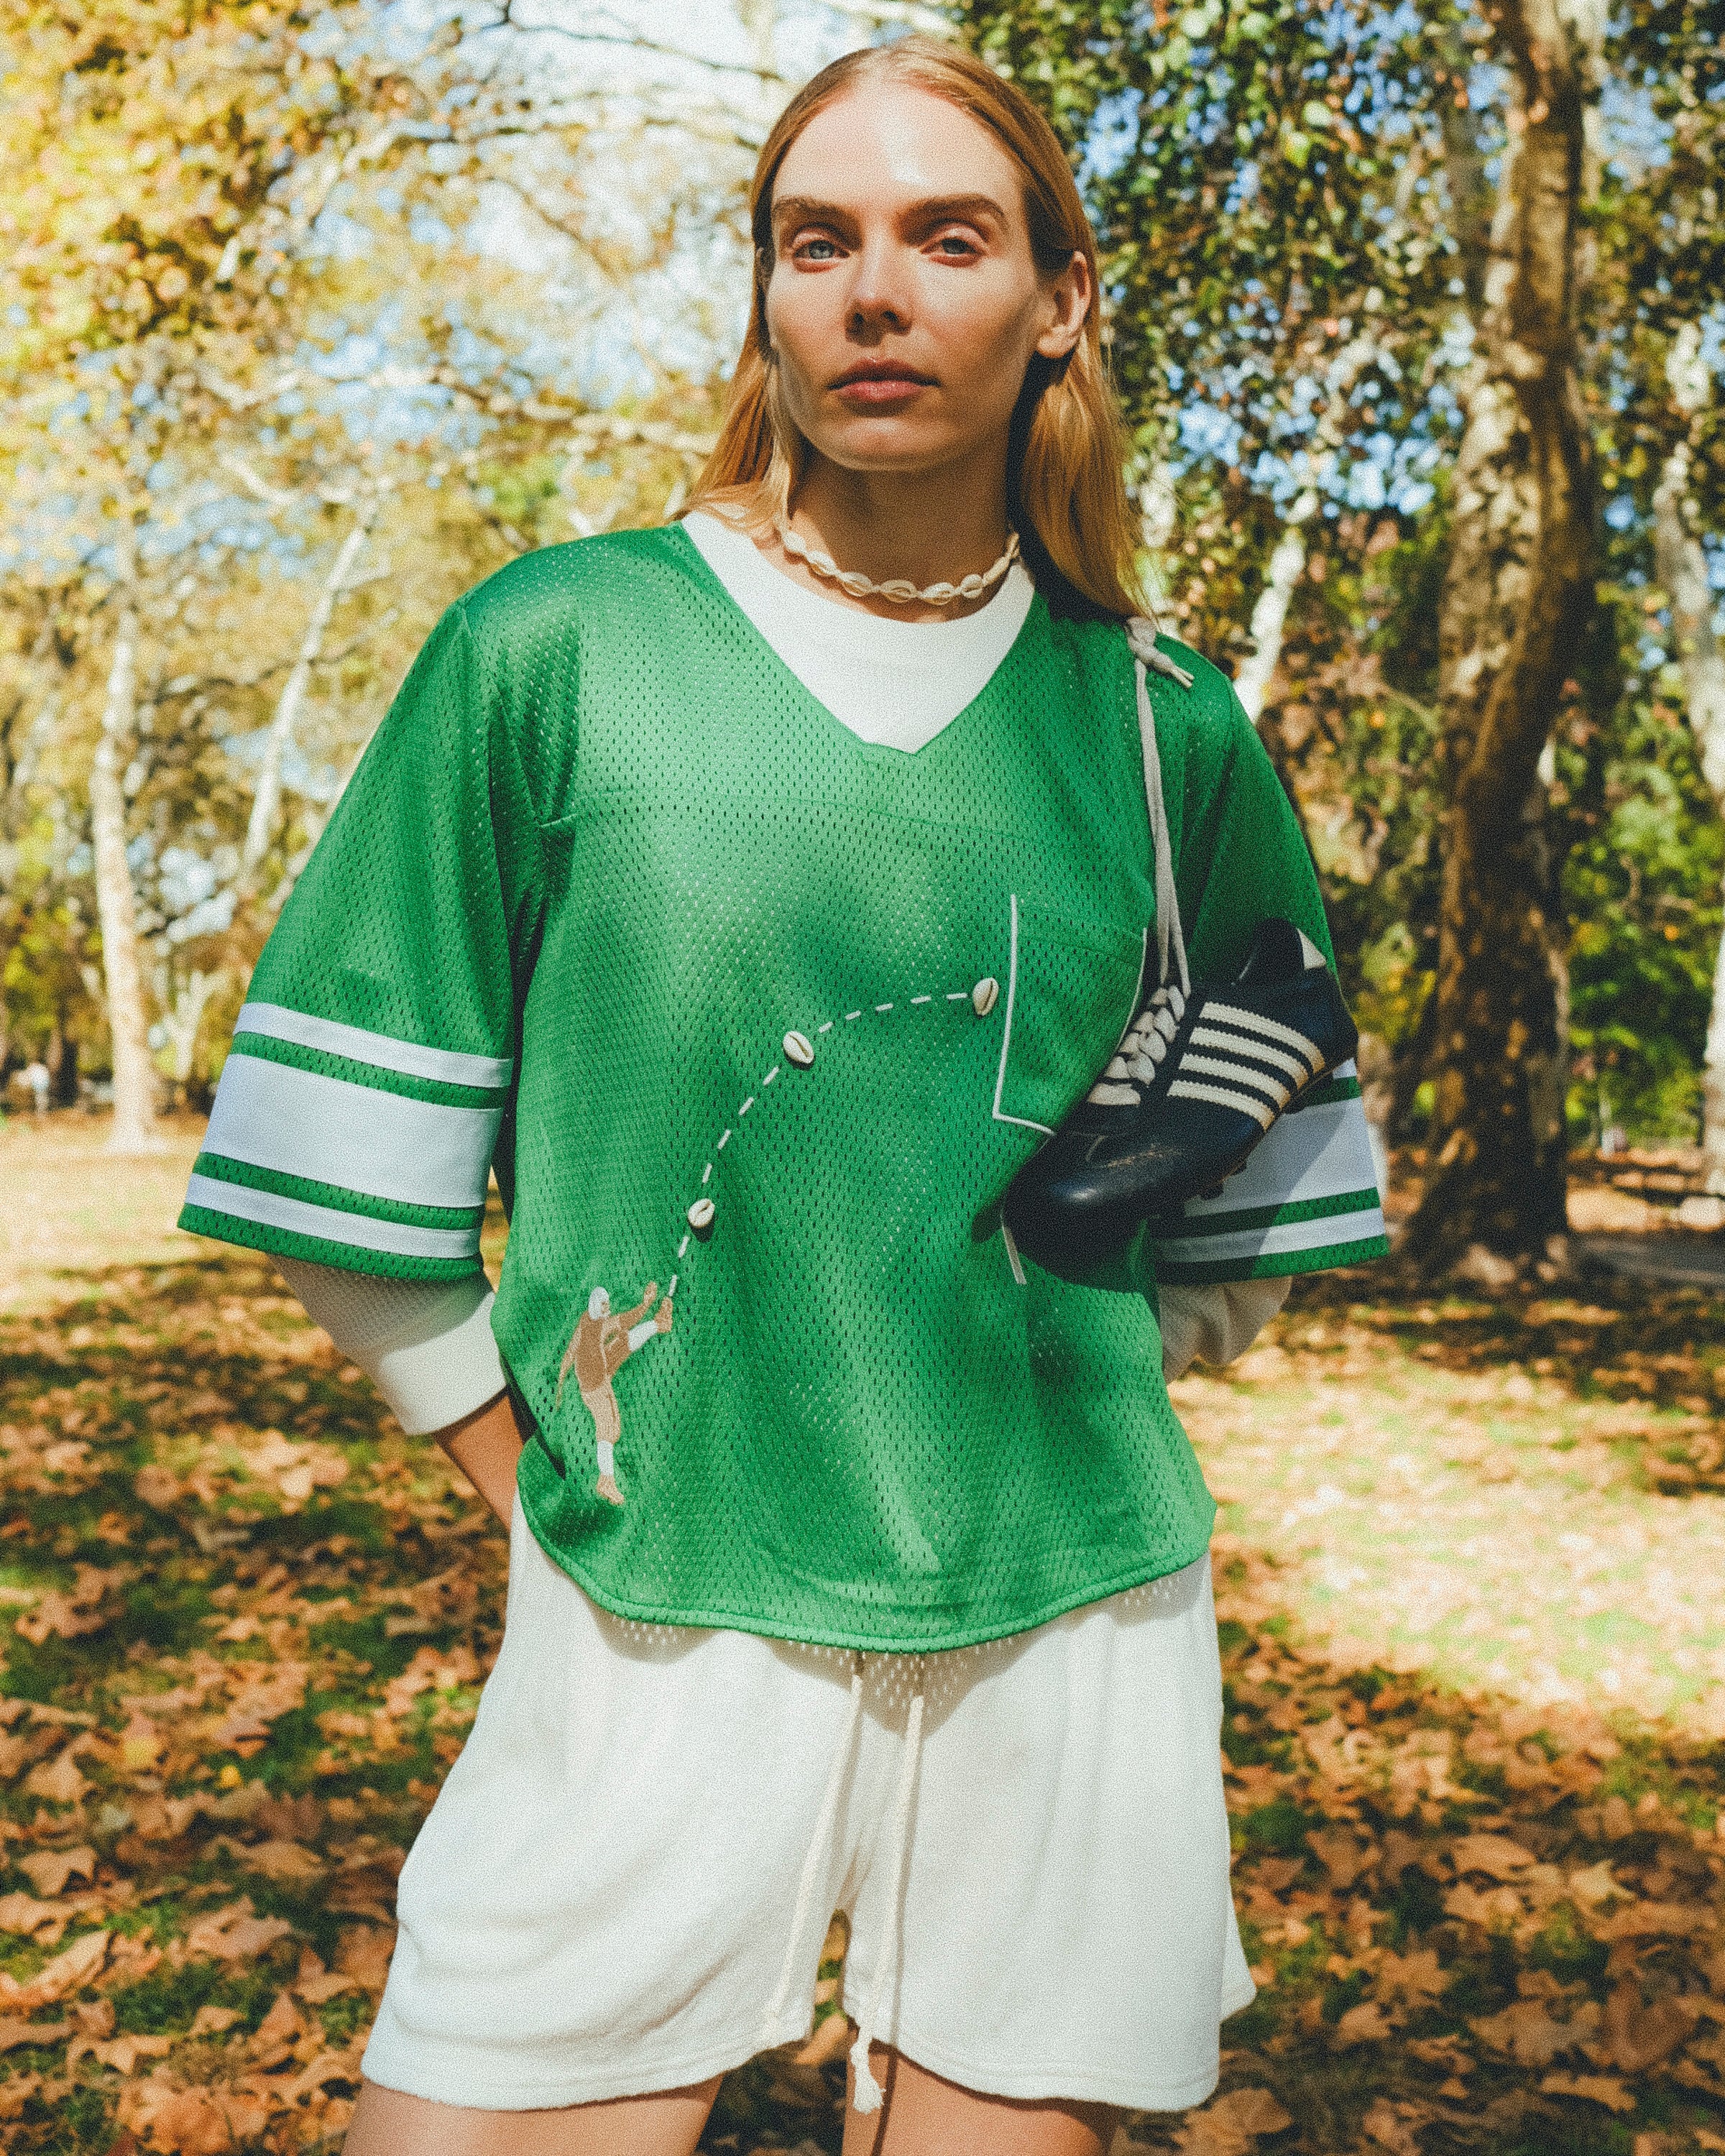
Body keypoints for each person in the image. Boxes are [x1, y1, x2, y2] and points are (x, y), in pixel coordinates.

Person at [180, 36, 1385, 2156]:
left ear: (1061, 298)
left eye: (949, 236)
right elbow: (330, 1170)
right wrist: (533, 1466)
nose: (874, 292)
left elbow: (1252, 1202)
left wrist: (1054, 1369)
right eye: (815, 240)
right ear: (765, 296)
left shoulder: (1162, 723)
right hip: (653, 1603)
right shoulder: (557, 648)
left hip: (1069, 1620)